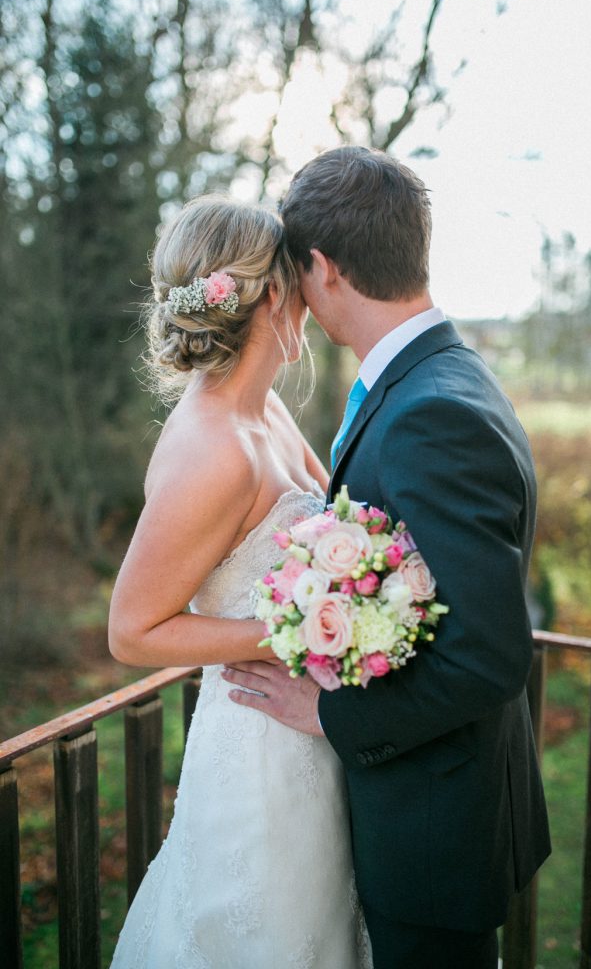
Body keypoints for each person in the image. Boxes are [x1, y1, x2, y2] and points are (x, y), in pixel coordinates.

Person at [220, 146, 551, 969]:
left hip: (433, 825)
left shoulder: (431, 413)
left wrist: (331, 716)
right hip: (438, 804)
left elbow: (489, 656)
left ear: (325, 268)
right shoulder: (436, 376)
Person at [108, 194, 372, 968]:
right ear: (271, 294)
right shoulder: (213, 450)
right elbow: (131, 631)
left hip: (313, 733)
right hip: (257, 752)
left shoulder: (268, 415)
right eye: (300, 280)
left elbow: (335, 528)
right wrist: (292, 634)